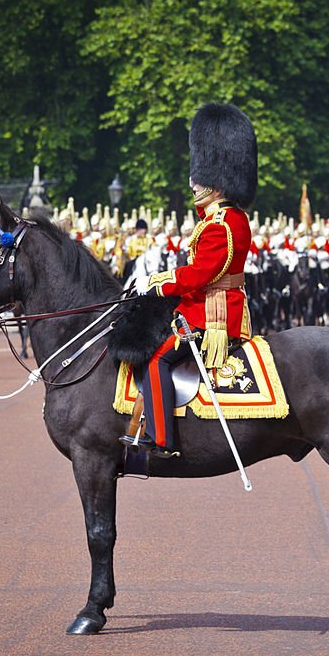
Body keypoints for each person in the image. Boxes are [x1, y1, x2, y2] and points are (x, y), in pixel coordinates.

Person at [120, 103, 256, 458]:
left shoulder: (222, 223)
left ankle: (162, 438)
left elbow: (202, 274)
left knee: (157, 359)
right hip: (202, 305)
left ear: (216, 180)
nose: (193, 183)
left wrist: (161, 283)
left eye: (198, 178)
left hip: (212, 314)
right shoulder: (224, 218)